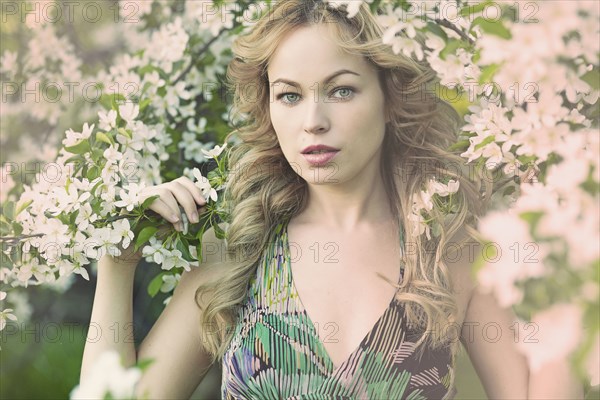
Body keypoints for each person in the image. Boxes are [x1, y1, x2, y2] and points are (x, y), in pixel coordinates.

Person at [80, 1, 584, 399]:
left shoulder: (451, 251)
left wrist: (572, 255)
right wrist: (117, 261)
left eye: (341, 91)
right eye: (290, 95)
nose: (312, 121)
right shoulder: (236, 252)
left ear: (391, 100)